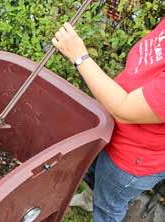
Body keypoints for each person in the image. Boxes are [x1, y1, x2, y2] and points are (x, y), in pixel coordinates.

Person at [51, 19, 165, 222]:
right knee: (92, 175)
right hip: (109, 125)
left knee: (108, 208)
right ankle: (89, 200)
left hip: (133, 158)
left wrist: (80, 57)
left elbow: (125, 108)